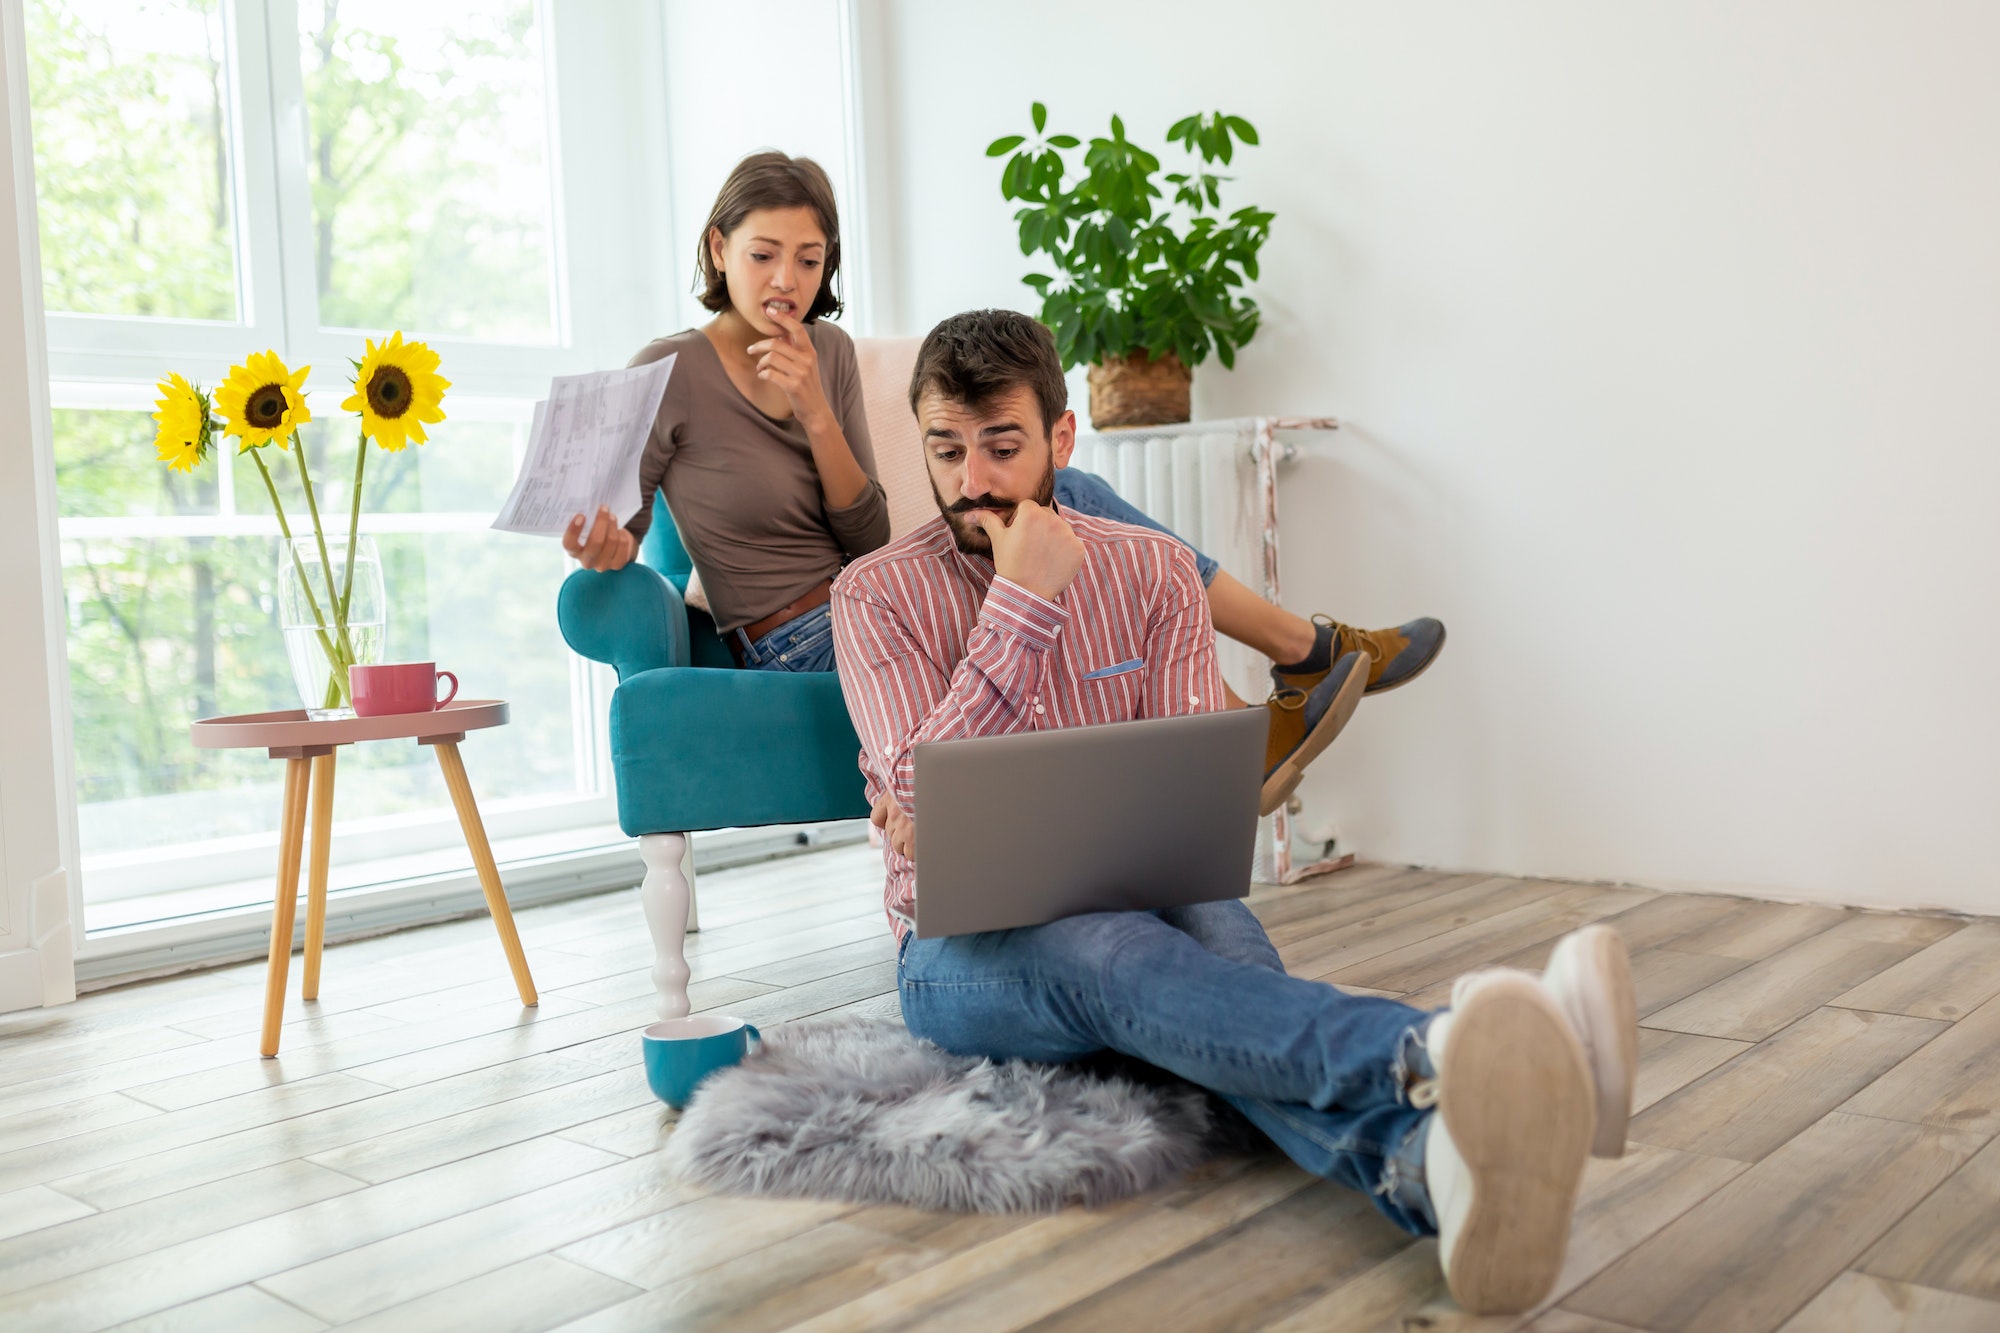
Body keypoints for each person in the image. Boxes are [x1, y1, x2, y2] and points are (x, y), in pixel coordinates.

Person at [828, 309, 1639, 1316]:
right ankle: (1444, 1049)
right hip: (952, 946)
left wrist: (951, 789)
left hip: (1147, 887)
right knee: (1113, 955)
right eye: (944, 451)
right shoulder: (874, 598)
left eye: (1001, 446)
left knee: (1224, 990)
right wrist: (1021, 606)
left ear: (1061, 440)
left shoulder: (1153, 572)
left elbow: (1180, 790)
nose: (972, 481)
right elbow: (915, 788)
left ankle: (1427, 1163)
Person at [559, 150, 1446, 813]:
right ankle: (1300, 660)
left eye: (810, 258)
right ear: (717, 251)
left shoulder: (825, 353)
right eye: (763, 256)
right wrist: (606, 547)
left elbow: (865, 536)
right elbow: (621, 529)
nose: (788, 280)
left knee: (1065, 494)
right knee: (1059, 519)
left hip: (869, 580)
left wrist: (818, 416)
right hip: (794, 631)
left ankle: (1261, 706)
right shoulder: (665, 369)